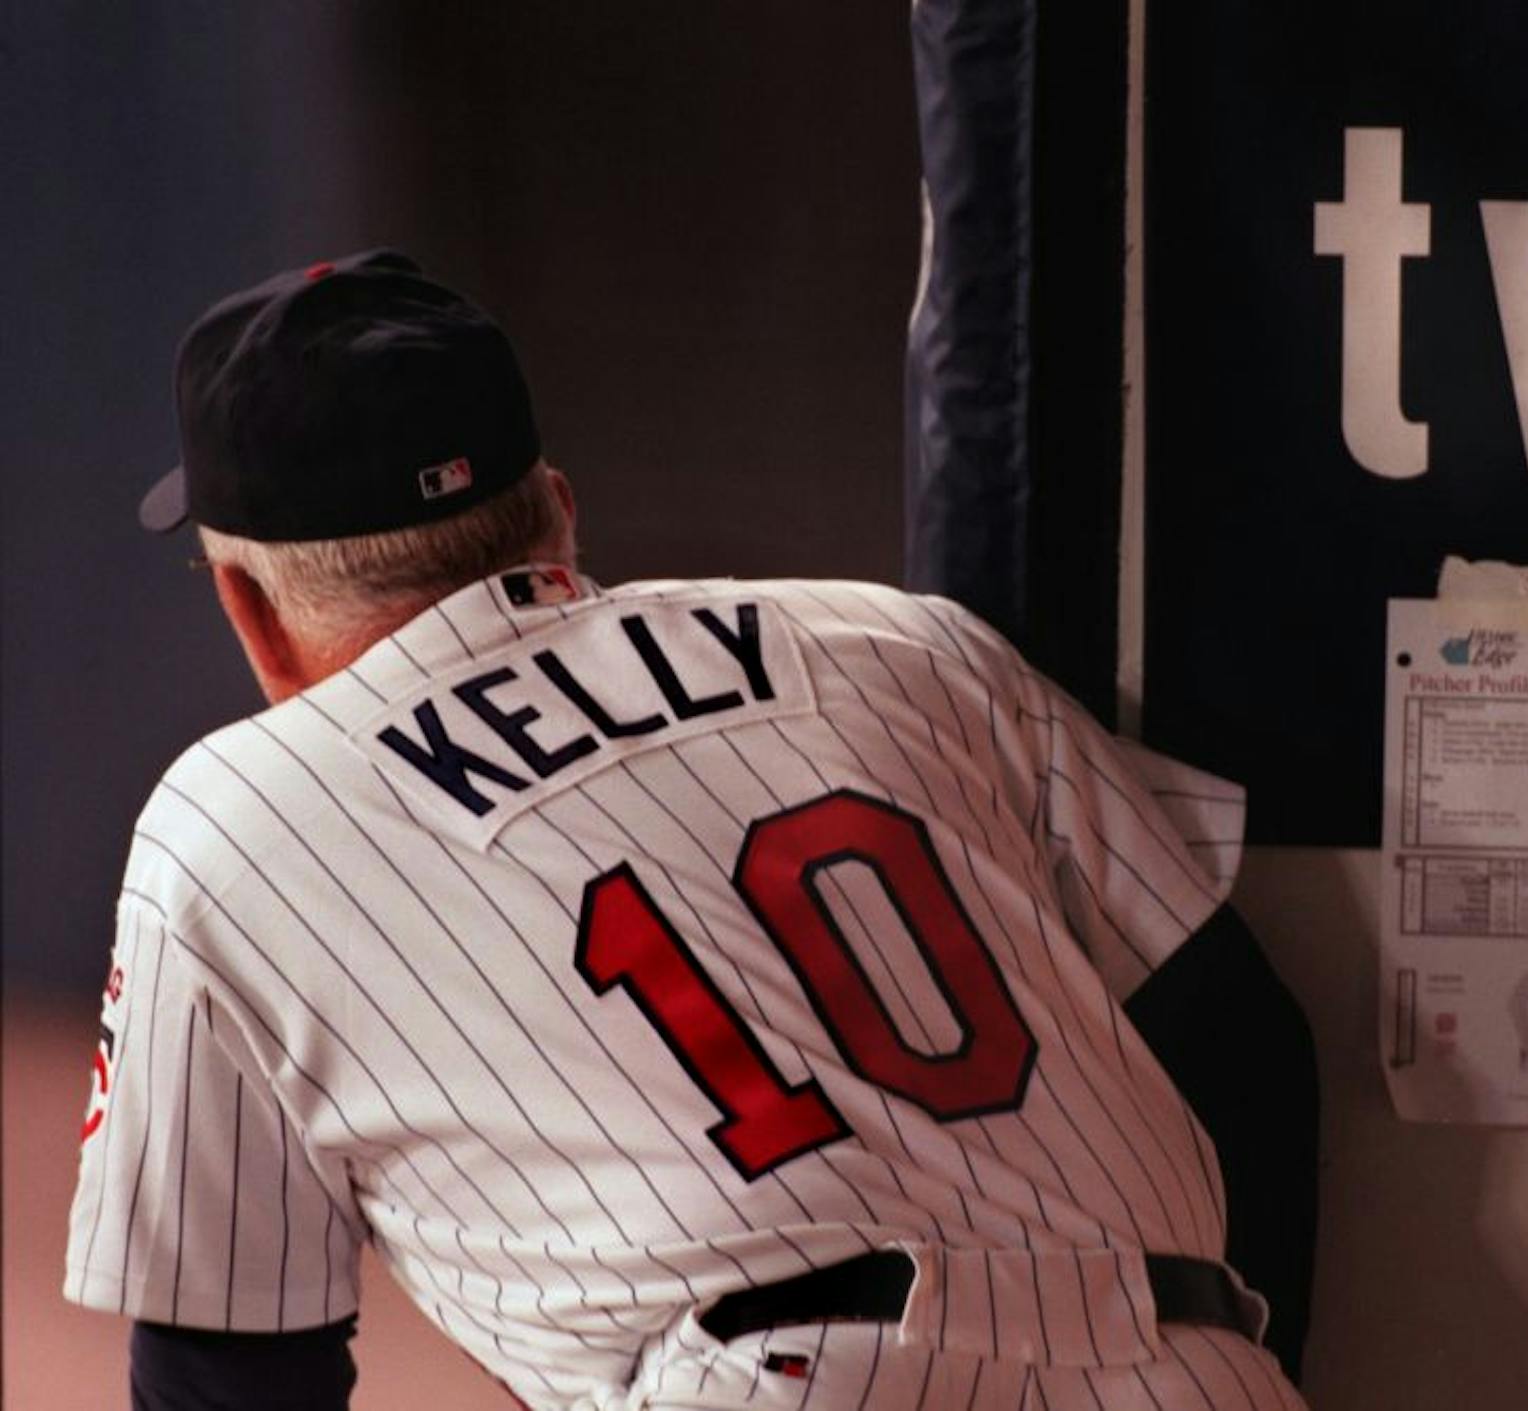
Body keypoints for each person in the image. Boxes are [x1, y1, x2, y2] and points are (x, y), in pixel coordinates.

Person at [67, 251, 1317, 1410]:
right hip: (1191, 1362)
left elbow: (227, 1367)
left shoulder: (234, 818)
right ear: (558, 508)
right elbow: (1239, 1035)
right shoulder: (903, 641)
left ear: (251, 610)